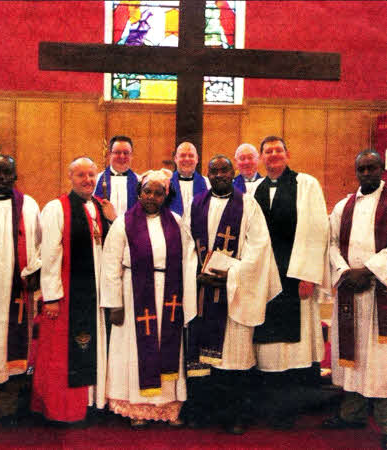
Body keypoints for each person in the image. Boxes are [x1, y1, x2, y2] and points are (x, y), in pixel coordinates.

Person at [183, 155, 281, 434]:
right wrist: (195, 273)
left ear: (232, 172)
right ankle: (204, 412)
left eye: (224, 170)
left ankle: (236, 414)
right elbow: (188, 242)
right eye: (213, 171)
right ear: (208, 175)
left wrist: (232, 274)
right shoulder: (197, 203)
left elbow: (259, 246)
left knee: (233, 356)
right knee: (203, 359)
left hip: (235, 292)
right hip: (203, 290)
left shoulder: (248, 204)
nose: (219, 175)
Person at [248, 136, 329, 429]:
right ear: (261, 158)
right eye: (268, 151)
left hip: (295, 277)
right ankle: (268, 406)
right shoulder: (254, 188)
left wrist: (308, 273)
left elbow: (317, 228)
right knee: (267, 344)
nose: (273, 155)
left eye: (278, 150)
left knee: (294, 346)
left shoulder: (306, 185)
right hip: (265, 278)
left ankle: (291, 408)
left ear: (287, 154)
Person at [101, 169, 186, 429]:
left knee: (166, 346)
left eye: (158, 193)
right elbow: (111, 264)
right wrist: (114, 302)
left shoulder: (176, 222)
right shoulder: (123, 223)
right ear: (138, 193)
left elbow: (188, 258)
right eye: (147, 191)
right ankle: (136, 407)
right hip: (133, 292)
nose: (151, 197)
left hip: (168, 294)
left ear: (165, 196)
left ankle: (167, 407)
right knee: (135, 350)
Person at [31, 157, 114, 424]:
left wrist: (113, 220)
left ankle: (94, 401)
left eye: (91, 175)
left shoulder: (102, 207)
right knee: (68, 350)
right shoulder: (57, 208)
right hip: (69, 294)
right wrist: (52, 297)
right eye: (81, 175)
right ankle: (68, 407)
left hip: (97, 292)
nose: (88, 180)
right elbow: (50, 255)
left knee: (95, 342)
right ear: (70, 177)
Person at [324, 150, 387, 450]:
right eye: (361, 168)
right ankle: (352, 413)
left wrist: (371, 270)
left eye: (371, 168)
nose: (366, 174)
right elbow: (332, 243)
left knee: (381, 359)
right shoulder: (343, 206)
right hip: (351, 290)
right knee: (353, 354)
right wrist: (346, 271)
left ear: (381, 168)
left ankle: (386, 421)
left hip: (380, 292)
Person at [0, 155, 41, 424]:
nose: (2, 178)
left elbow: (39, 242)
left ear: (16, 176)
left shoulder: (28, 206)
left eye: (7, 173)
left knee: (10, 338)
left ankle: (8, 401)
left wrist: (34, 272)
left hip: (13, 285)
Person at [95, 135, 139, 218]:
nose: (122, 156)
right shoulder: (96, 180)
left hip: (130, 229)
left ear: (131, 155)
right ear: (109, 154)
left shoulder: (139, 181)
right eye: (117, 152)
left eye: (126, 153)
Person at [169, 142, 210, 217]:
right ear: (175, 159)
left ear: (197, 159)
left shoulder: (208, 184)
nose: (187, 159)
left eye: (191, 156)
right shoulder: (166, 182)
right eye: (183, 155)